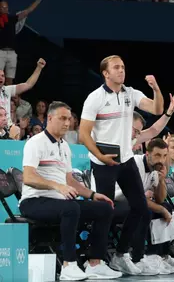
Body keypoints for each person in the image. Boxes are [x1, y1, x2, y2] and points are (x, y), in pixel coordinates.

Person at [79, 55, 164, 275]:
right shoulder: (95, 98)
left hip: (125, 160)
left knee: (141, 209)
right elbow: (83, 133)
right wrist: (100, 155)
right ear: (105, 73)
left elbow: (156, 109)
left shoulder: (130, 94)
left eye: (123, 67)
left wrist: (155, 88)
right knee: (105, 210)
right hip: (103, 162)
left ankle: (120, 255)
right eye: (116, 67)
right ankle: (95, 262)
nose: (121, 70)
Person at [19, 101, 122, 280]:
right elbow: (28, 177)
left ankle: (95, 263)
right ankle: (69, 265)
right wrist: (57, 186)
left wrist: (92, 195)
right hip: (34, 201)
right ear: (49, 118)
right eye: (62, 118)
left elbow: (69, 180)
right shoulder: (35, 143)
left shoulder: (65, 146)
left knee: (104, 208)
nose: (67, 123)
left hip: (58, 202)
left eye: (69, 119)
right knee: (71, 208)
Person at [114, 138, 174, 275]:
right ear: (148, 155)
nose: (161, 160)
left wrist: (161, 180)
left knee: (166, 206)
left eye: (164, 156)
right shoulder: (135, 164)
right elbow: (138, 199)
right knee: (145, 211)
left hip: (135, 203)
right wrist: (161, 209)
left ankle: (159, 256)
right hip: (116, 200)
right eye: (157, 155)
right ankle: (138, 258)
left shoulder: (155, 168)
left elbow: (160, 198)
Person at [0, 0, 47, 86]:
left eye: (6, 7)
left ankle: (7, 100)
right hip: (0, 52)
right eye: (3, 7)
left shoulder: (12, 19)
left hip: (12, 53)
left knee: (10, 81)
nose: (6, 9)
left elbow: (28, 10)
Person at [0, 58, 46, 125]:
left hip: (7, 129)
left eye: (2, 76)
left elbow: (28, 84)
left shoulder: (6, 90)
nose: (1, 78)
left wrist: (39, 68)